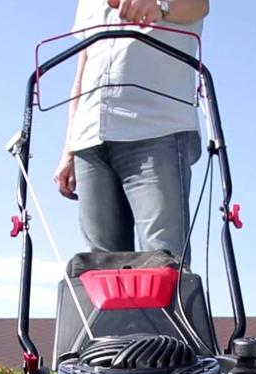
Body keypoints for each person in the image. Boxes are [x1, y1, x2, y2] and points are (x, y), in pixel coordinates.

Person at [55, 0, 210, 257]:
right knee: (100, 266)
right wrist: (68, 151)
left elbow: (200, 5)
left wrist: (161, 6)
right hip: (89, 139)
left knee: (164, 260)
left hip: (155, 131)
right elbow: (81, 75)